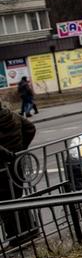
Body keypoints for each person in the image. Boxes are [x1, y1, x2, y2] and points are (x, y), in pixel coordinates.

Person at [0, 103, 38, 247]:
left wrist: (8, 155)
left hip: (2, 168)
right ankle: (29, 230)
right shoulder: (11, 115)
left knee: (6, 202)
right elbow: (30, 128)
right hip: (17, 164)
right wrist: (20, 149)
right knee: (15, 197)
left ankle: (17, 236)